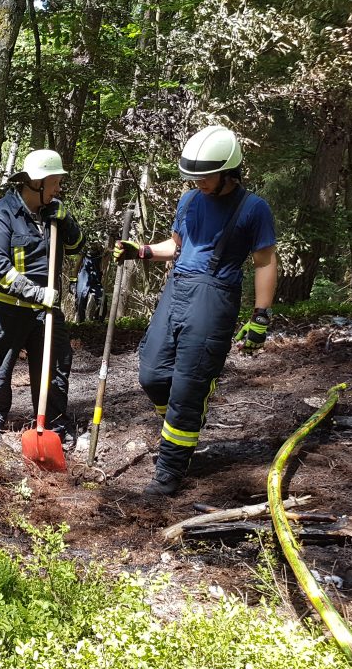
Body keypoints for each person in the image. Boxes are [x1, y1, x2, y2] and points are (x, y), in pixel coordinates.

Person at [114, 125, 277, 497]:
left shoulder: (254, 208)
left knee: (189, 387)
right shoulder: (189, 201)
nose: (198, 182)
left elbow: (265, 262)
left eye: (205, 176)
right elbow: (177, 247)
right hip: (177, 292)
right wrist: (141, 251)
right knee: (153, 375)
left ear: (228, 170)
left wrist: (260, 316)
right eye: (194, 176)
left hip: (215, 298)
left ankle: (170, 469)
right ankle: (181, 429)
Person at [0, 149, 84, 448]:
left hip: (45, 308)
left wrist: (67, 221)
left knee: (56, 365)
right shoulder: (0, 215)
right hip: (5, 310)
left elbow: (76, 246)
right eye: (55, 182)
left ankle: (53, 427)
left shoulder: (53, 213)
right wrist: (36, 292)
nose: (59, 188)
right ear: (36, 183)